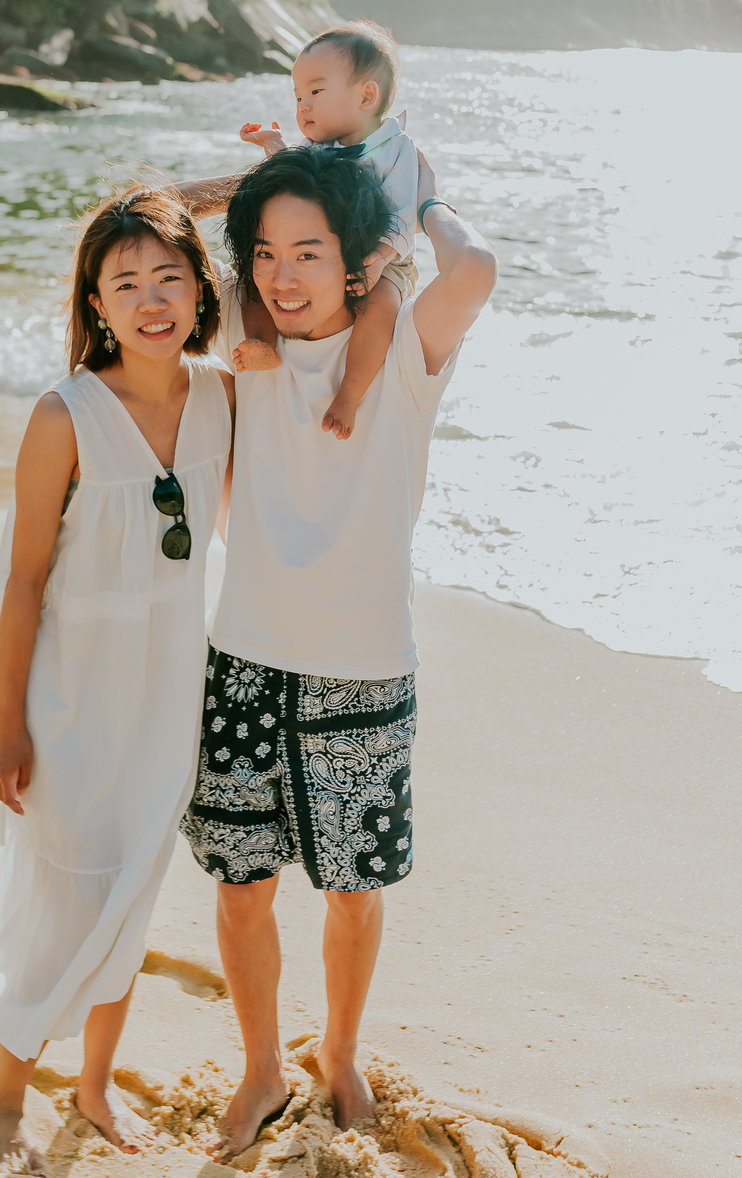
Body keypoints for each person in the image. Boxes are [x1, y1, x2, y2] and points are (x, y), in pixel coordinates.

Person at [0, 188, 234, 1174]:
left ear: (202, 289)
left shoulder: (225, 397)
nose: (151, 300)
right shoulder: (64, 415)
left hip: (168, 699)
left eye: (169, 277)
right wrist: (9, 725)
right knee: (67, 898)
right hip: (68, 701)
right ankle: (5, 1092)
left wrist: (223, 195)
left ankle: (98, 1084)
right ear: (95, 303)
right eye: (126, 284)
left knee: (135, 891)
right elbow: (24, 581)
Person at [175, 142, 496, 1158]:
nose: (282, 274)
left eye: (309, 252)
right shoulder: (244, 341)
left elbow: (476, 272)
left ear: (357, 264)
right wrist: (262, 180)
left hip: (364, 670)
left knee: (355, 895)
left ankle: (342, 1052)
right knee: (240, 886)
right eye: (265, 254)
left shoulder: (400, 355)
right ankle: (263, 1064)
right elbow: (144, 226)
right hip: (246, 660)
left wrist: (421, 200)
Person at [233, 20, 419, 442]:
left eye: (315, 92)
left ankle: (350, 392)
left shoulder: (395, 148)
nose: (303, 106)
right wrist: (274, 146)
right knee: (252, 278)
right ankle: (261, 341)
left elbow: (406, 213)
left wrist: (382, 257)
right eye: (298, 96)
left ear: (367, 96)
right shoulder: (319, 150)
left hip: (381, 257)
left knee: (383, 301)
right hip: (323, 259)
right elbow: (296, 184)